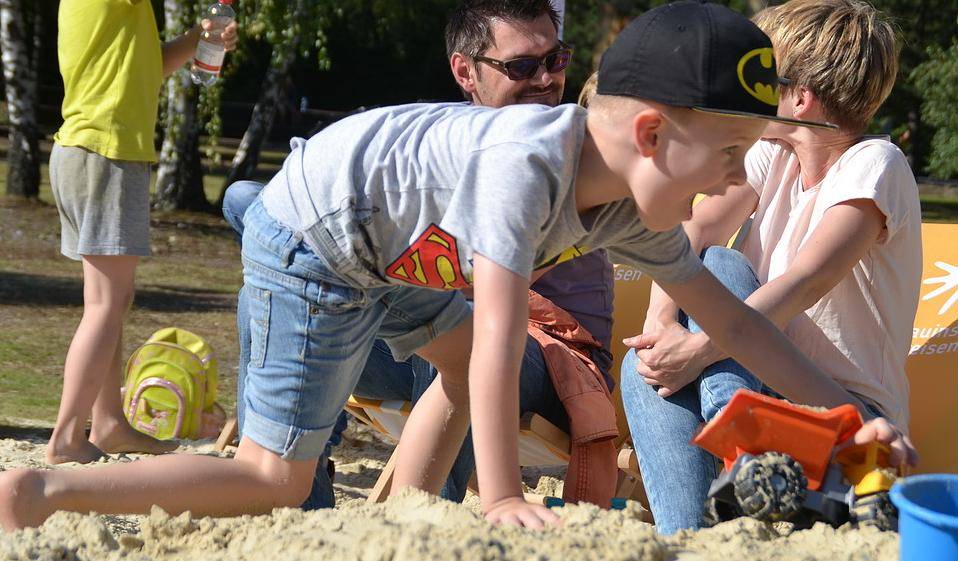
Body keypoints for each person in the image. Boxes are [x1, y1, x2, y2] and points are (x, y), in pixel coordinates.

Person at [0, 1, 915, 533]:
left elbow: (740, 324)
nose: (734, 177)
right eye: (729, 152)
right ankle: (44, 490)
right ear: (649, 134)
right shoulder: (527, 166)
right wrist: (505, 493)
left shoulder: (627, 210)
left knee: (464, 352)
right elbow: (502, 332)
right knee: (272, 474)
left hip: (399, 255)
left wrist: (852, 419)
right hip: (317, 240)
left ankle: (398, 513)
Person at [225, 0, 616, 508]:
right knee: (269, 299)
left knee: (463, 324)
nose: (545, 79)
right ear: (465, 72)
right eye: (522, 66)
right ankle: (300, 508)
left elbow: (488, 286)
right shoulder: (441, 144)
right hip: (435, 318)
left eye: (556, 60)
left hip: (551, 355)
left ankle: (428, 518)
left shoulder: (566, 151)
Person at [620, 0, 922, 534]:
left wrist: (697, 349)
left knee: (722, 266)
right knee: (647, 362)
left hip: (840, 413)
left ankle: (745, 451)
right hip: (755, 382)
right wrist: (661, 326)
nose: (742, 96)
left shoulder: (877, 164)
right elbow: (693, 230)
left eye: (758, 81)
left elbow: (805, 282)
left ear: (799, 99)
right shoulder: (774, 153)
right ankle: (694, 530)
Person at [44, 0, 238, 465]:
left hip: (88, 152)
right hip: (106, 154)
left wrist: (200, 38)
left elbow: (148, 68)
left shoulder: (122, 15)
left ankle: (108, 423)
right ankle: (66, 437)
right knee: (106, 304)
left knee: (110, 302)